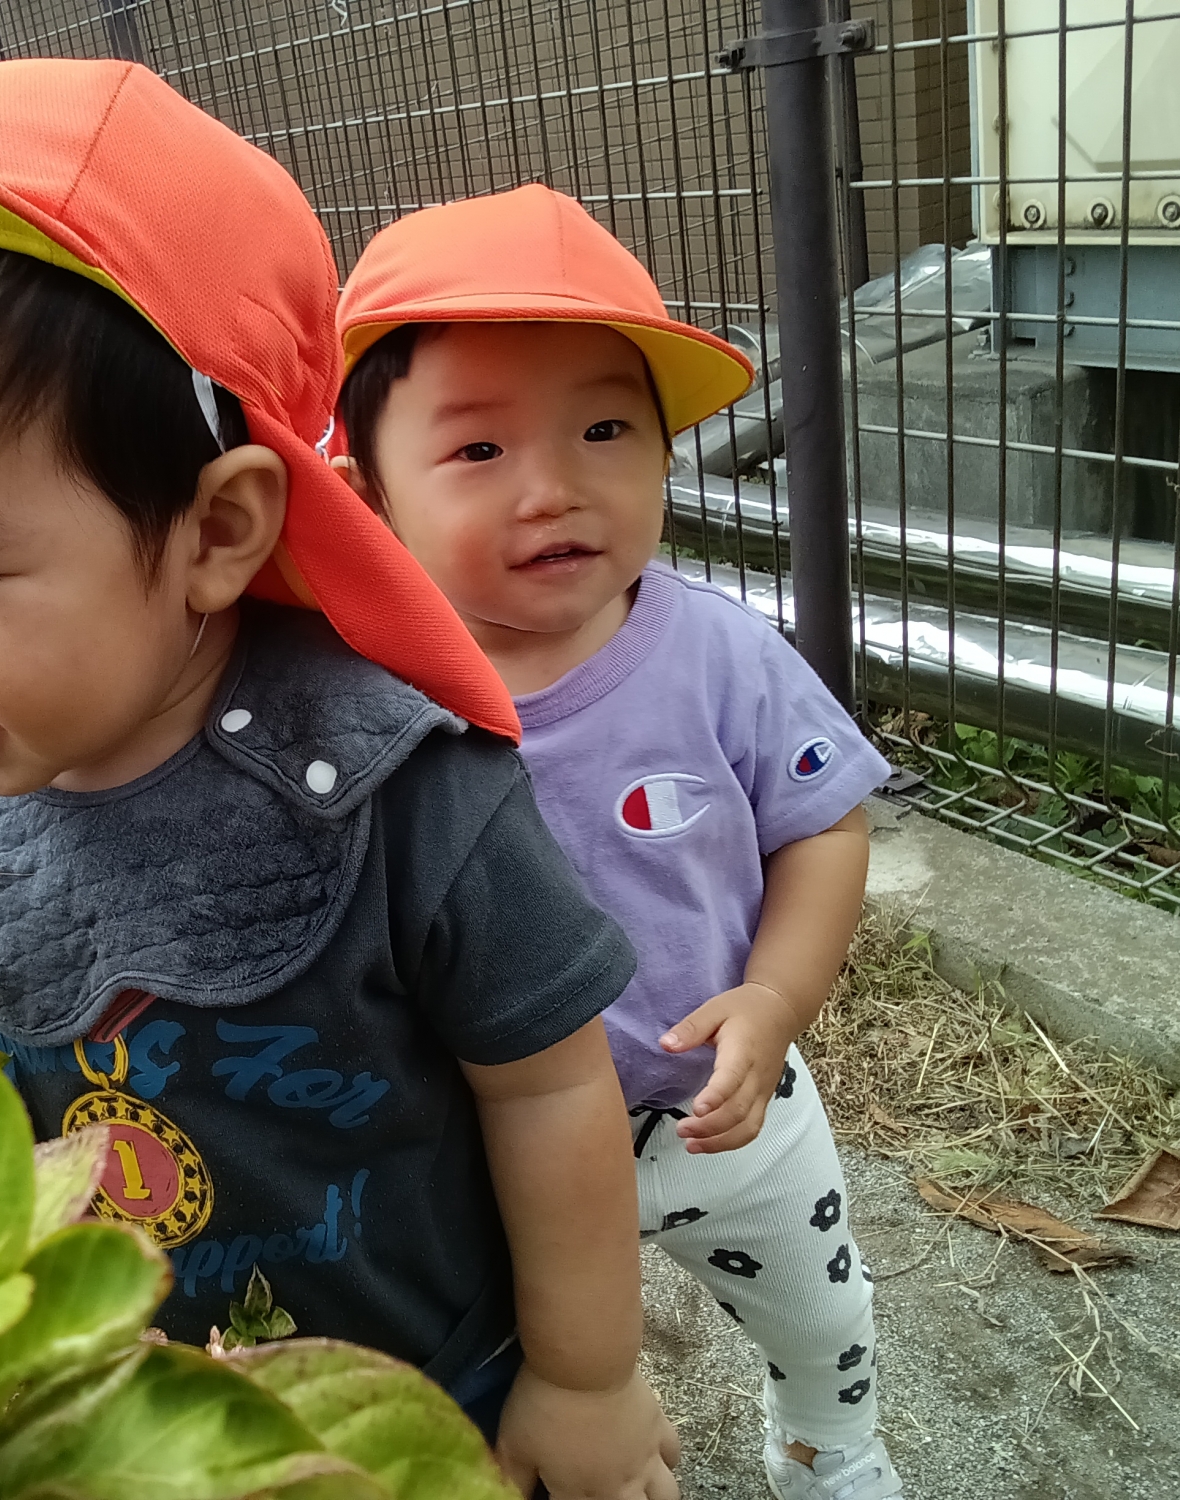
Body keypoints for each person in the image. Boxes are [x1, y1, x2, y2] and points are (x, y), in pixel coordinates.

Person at [0, 37, 680, 1499]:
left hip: (428, 1398)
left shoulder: (403, 795)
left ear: (217, 530)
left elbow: (547, 1091)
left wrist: (585, 1374)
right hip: (113, 1422)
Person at [332, 184, 903, 1500]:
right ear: (369, 494)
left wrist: (775, 997)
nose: (554, 489)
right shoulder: (370, 701)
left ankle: (832, 1450)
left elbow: (823, 827)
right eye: (479, 449)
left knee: (823, 1316)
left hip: (719, 1109)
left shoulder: (721, 658)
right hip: (485, 1146)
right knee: (507, 1375)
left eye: (604, 429)